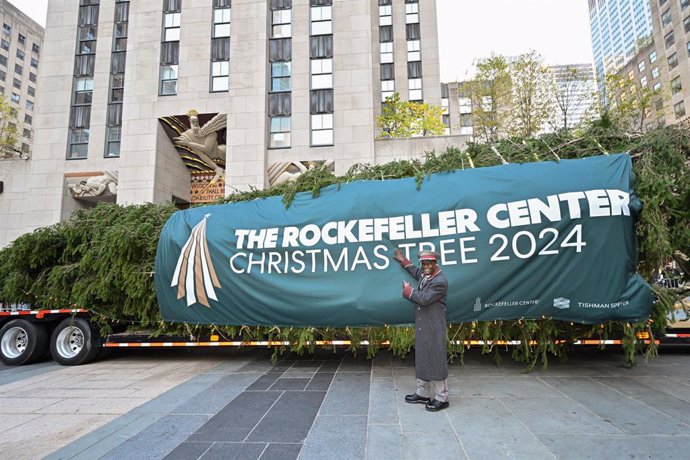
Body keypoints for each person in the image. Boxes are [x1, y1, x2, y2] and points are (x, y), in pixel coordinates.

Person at [393, 248, 450, 412]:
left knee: (437, 360)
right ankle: (423, 393)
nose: (424, 266)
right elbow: (416, 271)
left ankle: (442, 398)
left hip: (434, 327)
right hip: (424, 325)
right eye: (423, 263)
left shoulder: (440, 281)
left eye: (428, 263)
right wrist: (403, 260)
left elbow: (424, 299)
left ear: (434, 263)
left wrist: (408, 291)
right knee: (423, 358)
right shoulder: (427, 275)